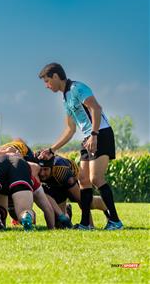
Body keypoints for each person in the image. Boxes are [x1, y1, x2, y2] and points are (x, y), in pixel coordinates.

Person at [38, 63, 123, 230]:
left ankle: (115, 221)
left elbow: (96, 109)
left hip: (101, 134)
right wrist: (51, 150)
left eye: (47, 81)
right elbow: (70, 130)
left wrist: (94, 135)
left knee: (96, 179)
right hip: (87, 138)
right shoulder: (66, 97)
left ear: (56, 76)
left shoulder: (77, 87)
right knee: (83, 180)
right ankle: (86, 224)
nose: (47, 86)